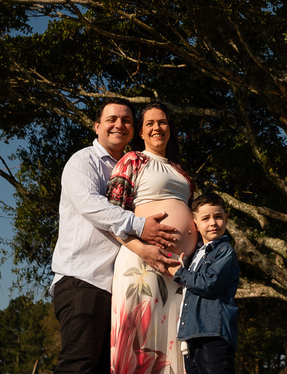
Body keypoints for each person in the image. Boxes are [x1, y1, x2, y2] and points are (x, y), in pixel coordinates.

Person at [52, 99, 182, 374]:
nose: (119, 124)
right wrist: (140, 226)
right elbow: (93, 207)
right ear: (97, 125)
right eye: (112, 119)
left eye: (125, 120)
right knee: (79, 365)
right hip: (84, 280)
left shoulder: (133, 164)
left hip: (117, 286)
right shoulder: (83, 160)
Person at [107, 103, 199, 374]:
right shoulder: (133, 160)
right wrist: (142, 249)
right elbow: (112, 215)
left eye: (163, 123)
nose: (158, 128)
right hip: (142, 262)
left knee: (172, 346)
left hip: (180, 270)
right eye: (150, 123)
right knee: (141, 341)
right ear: (141, 132)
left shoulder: (181, 171)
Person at [172, 192, 240, 374]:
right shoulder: (196, 254)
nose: (212, 223)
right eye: (205, 218)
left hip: (212, 333)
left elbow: (208, 283)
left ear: (226, 219)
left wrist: (178, 272)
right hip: (192, 334)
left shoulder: (225, 251)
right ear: (195, 223)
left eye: (218, 217)